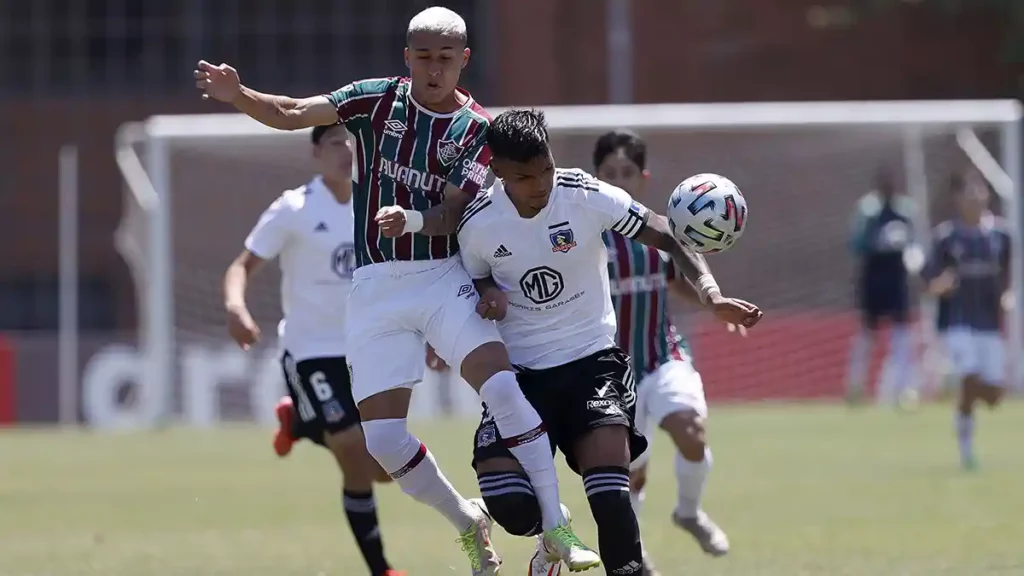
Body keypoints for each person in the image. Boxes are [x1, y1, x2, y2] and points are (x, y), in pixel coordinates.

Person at [196, 7, 596, 575]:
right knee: (381, 442)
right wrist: (239, 94)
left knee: (503, 390)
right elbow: (289, 112)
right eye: (425, 58)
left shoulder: (476, 128)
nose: (435, 70)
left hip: (441, 279)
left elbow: (454, 211)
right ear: (407, 58)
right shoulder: (374, 99)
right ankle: (467, 522)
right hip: (377, 289)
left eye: (446, 59)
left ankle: (556, 527)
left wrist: (409, 221)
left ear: (465, 61)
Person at [456, 109, 762, 576]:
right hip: (518, 377)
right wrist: (486, 295)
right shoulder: (476, 224)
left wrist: (711, 293)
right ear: (497, 171)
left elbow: (668, 234)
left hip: (592, 364)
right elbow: (469, 281)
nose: (541, 185)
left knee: (614, 500)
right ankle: (550, 538)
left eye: (546, 170)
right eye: (525, 177)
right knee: (512, 507)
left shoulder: (585, 194)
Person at [223, 123, 404, 576]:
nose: (346, 150)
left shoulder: (378, 207)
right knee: (350, 447)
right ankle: (381, 568)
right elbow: (241, 265)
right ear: (315, 153)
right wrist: (235, 308)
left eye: (352, 142)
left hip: (367, 350)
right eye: (335, 142)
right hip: (310, 351)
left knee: (384, 468)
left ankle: (300, 422)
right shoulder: (294, 208)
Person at [587, 130, 732, 575]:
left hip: (662, 354)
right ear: (596, 178)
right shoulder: (585, 234)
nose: (618, 181)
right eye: (608, 174)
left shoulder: (659, 230)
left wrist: (717, 306)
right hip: (612, 376)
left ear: (643, 178)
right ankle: (637, 549)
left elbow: (673, 283)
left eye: (626, 173)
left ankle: (688, 512)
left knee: (692, 432)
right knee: (633, 475)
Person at [922, 171, 1011, 470]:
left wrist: (1007, 298)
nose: (975, 197)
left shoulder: (1001, 236)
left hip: (989, 324)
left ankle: (953, 386)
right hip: (957, 323)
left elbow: (1007, 277)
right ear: (958, 199)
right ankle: (966, 449)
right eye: (969, 192)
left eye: (980, 191)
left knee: (994, 397)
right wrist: (940, 285)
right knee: (971, 376)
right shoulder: (946, 238)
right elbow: (929, 282)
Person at [845, 167, 921, 406]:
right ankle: (855, 387)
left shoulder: (906, 211)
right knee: (867, 335)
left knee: (901, 335)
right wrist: (878, 242)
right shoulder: (868, 211)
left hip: (897, 281)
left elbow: (915, 244)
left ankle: (903, 389)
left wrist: (913, 256)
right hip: (873, 280)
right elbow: (855, 245)